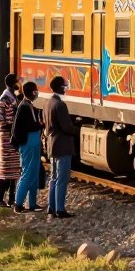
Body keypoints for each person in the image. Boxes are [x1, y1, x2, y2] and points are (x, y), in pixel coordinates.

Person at [45, 76, 76, 219]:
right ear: (59, 87)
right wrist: (75, 128)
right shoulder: (60, 105)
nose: (66, 88)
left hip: (52, 144)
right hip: (63, 145)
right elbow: (67, 127)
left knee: (54, 178)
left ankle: (51, 207)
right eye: (64, 85)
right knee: (62, 178)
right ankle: (60, 209)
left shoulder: (48, 103)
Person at [12, 81, 44, 213]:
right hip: (29, 143)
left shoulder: (27, 105)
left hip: (33, 143)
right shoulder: (25, 106)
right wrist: (41, 124)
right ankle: (18, 203)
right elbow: (31, 126)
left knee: (34, 173)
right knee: (27, 173)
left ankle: (32, 203)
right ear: (32, 92)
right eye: (36, 90)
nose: (37, 93)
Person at [0, 73, 21, 207]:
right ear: (13, 84)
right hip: (6, 137)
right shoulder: (5, 99)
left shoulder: (12, 98)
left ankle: (11, 199)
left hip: (10, 137)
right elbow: (1, 120)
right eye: (18, 81)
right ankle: (0, 199)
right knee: (5, 169)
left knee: (14, 169)